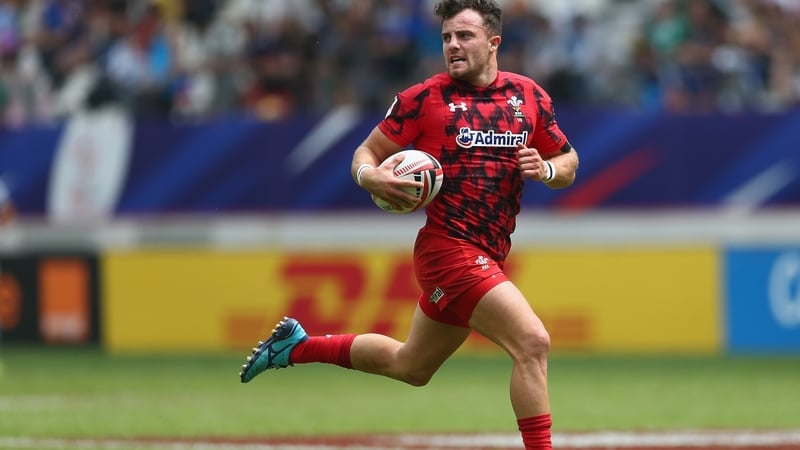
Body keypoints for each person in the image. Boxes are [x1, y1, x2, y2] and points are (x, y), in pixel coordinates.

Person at [238, 1, 579, 449]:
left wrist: (547, 170)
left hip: (489, 252)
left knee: (411, 366)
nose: (452, 45)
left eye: (464, 36)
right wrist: (369, 175)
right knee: (532, 341)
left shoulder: (529, 97)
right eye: (446, 38)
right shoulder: (424, 98)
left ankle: (295, 347)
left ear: (494, 42)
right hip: (447, 250)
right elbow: (366, 152)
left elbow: (568, 160)